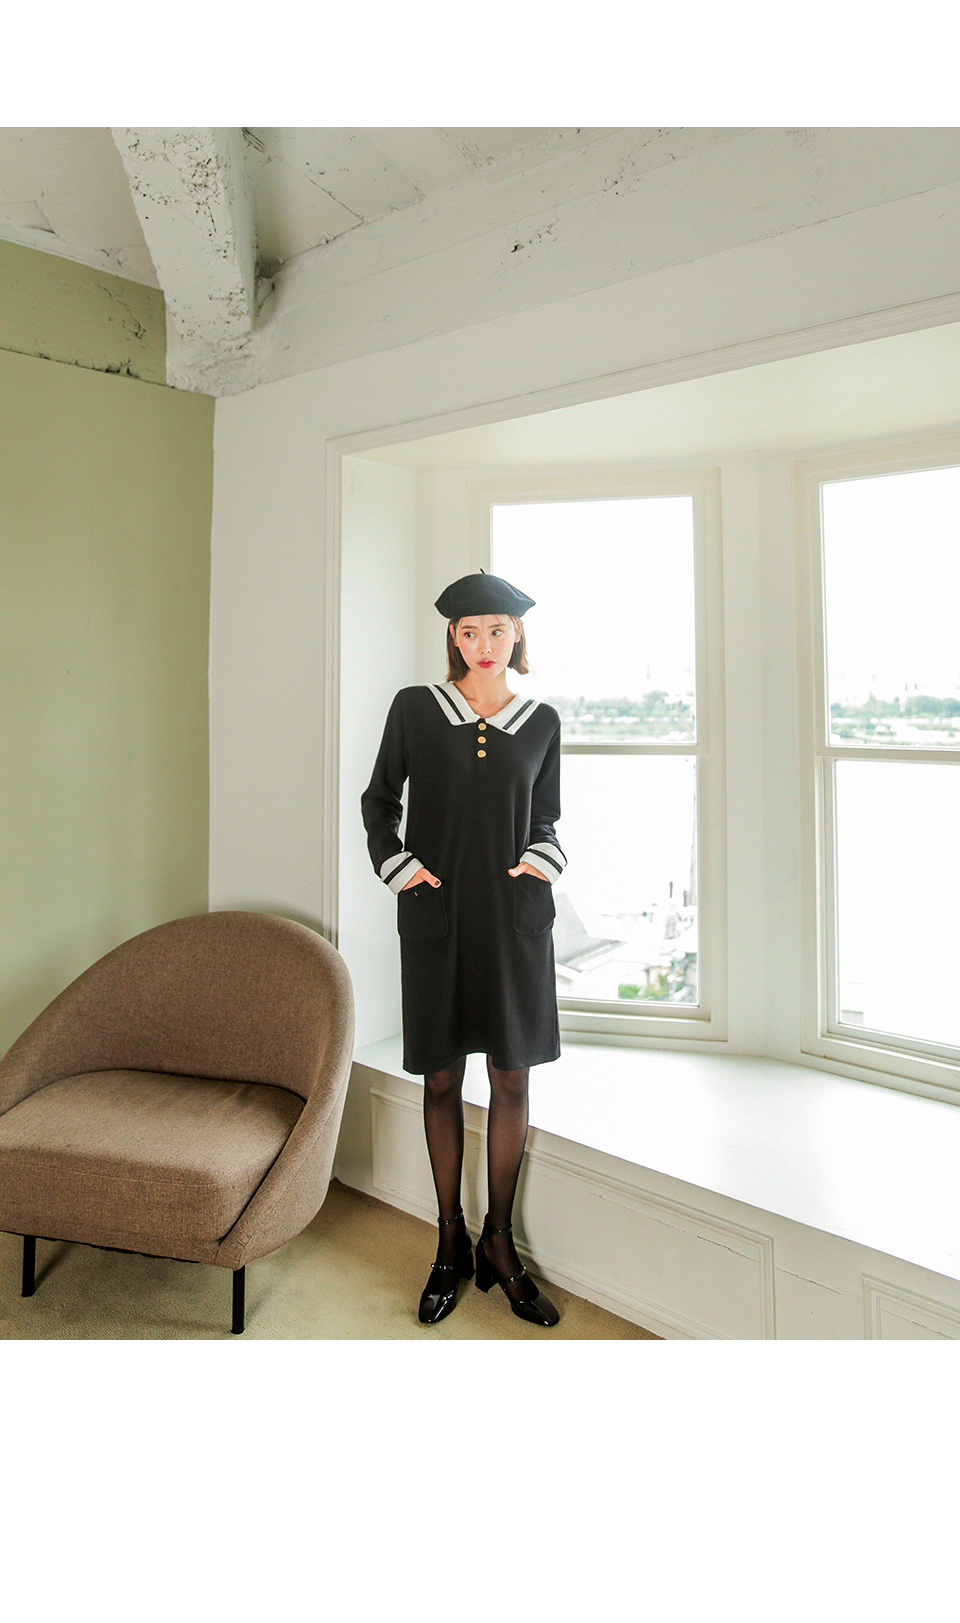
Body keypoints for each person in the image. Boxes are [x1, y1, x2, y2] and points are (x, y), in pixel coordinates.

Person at [360, 570, 565, 1328]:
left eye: (498, 631)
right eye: (470, 631)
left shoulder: (541, 721)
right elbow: (379, 801)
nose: (485, 644)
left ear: (517, 635)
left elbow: (547, 820)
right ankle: (449, 1240)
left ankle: (498, 1243)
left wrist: (539, 862)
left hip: (512, 922)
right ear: (453, 635)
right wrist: (401, 868)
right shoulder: (415, 709)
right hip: (437, 915)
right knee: (442, 1076)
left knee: (512, 1077)